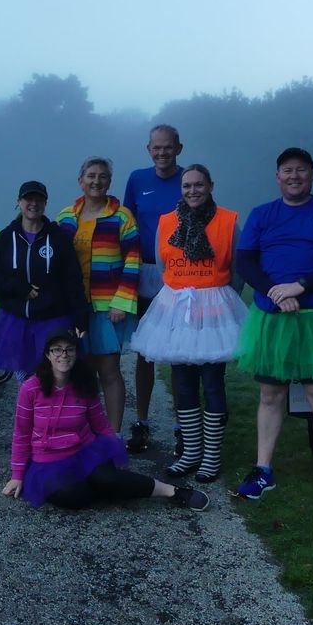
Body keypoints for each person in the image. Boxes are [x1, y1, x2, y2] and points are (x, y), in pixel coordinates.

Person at [233, 148, 313, 508]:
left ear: (312, 175)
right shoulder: (262, 214)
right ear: (278, 176)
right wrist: (276, 291)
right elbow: (245, 260)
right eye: (287, 171)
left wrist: (300, 286)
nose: (294, 176)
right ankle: (263, 469)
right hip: (272, 318)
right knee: (270, 395)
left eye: (301, 171)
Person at [130, 164, 248, 483]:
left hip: (214, 307)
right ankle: (190, 452)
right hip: (177, 307)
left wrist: (222, 299)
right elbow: (161, 260)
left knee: (212, 383)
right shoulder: (167, 221)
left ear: (210, 185)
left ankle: (211, 456)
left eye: (199, 185)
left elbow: (238, 268)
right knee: (182, 383)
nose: (192, 191)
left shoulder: (227, 220)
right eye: (187, 186)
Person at [3, 331, 209, 511]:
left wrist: (115, 452)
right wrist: (17, 475)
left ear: (76, 353)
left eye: (69, 349)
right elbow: (21, 433)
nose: (63, 355)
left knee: (108, 478)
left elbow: (100, 424)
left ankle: (174, 492)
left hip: (83, 452)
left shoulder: (83, 385)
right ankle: (105, 486)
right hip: (48, 461)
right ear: (48, 354)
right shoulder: (31, 388)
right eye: (57, 350)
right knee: (75, 497)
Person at [56, 157, 140, 432]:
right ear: (81, 181)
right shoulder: (66, 218)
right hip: (76, 307)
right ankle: (86, 432)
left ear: (109, 182)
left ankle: (113, 435)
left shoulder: (121, 216)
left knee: (109, 373)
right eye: (91, 176)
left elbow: (133, 259)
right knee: (82, 373)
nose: (96, 181)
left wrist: (121, 302)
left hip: (108, 308)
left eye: (102, 176)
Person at [0, 180, 90, 376]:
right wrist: (18, 287)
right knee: (25, 379)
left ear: (46, 203)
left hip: (52, 320)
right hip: (14, 321)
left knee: (54, 377)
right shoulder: (5, 238)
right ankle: (27, 408)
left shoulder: (59, 238)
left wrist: (81, 317)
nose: (33, 203)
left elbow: (73, 280)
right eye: (28, 198)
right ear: (19, 202)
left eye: (39, 199)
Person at [122, 124, 185, 453]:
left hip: (178, 272)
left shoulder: (189, 179)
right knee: (144, 351)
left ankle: (180, 425)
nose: (162, 153)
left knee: (176, 351)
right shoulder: (137, 179)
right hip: (144, 269)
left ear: (179, 148)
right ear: (149, 149)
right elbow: (127, 224)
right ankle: (142, 421)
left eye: (168, 147)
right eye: (156, 148)